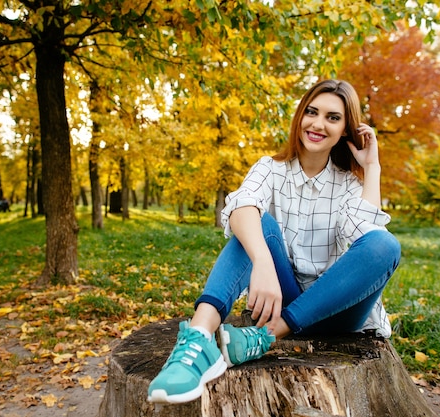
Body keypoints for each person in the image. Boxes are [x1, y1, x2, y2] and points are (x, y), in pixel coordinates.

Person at [147, 79, 401, 404]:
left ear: (345, 130)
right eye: (311, 112)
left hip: (340, 313)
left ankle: (265, 336)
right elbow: (240, 207)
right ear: (300, 116)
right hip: (287, 295)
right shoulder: (271, 168)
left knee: (385, 244)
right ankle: (196, 342)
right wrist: (263, 262)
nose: (318, 124)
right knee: (253, 220)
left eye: (332, 117)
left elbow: (366, 242)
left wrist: (372, 166)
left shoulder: (350, 184)